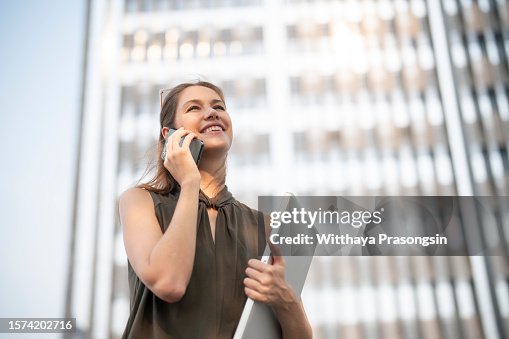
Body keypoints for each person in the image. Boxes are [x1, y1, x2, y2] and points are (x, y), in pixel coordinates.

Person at [118, 81, 313, 339]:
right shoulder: (141, 201)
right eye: (194, 108)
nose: (212, 113)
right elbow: (169, 282)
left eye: (218, 106)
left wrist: (286, 300)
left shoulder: (265, 226)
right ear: (170, 134)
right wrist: (190, 183)